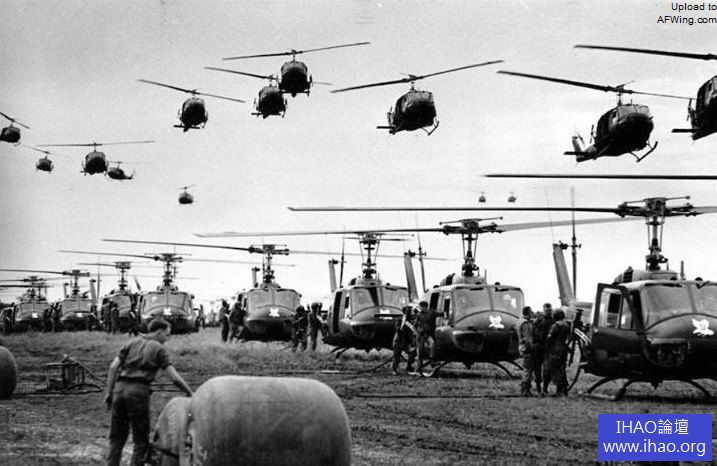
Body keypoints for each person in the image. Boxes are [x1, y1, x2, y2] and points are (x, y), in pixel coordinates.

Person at [104, 319, 193, 466]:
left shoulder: (130, 343)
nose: (168, 338)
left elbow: (113, 368)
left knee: (116, 439)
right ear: (159, 332)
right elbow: (174, 378)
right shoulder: (159, 349)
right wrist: (190, 392)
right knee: (140, 442)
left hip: (119, 390)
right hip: (138, 393)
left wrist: (109, 393)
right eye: (167, 335)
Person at [543, 309, 572, 396]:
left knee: (552, 369)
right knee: (561, 370)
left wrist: (546, 346)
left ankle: (558, 391)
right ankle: (562, 390)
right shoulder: (566, 325)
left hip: (555, 350)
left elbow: (550, 337)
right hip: (562, 350)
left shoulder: (556, 325)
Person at [532, 303, 553, 396]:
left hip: (548, 348)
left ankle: (545, 389)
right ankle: (538, 389)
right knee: (537, 369)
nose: (548, 312)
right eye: (546, 310)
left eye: (549, 310)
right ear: (544, 310)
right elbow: (533, 330)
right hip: (539, 348)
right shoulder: (539, 320)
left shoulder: (553, 320)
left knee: (547, 370)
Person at [516, 306, 536, 397]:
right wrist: (532, 348)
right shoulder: (526, 324)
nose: (532, 313)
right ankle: (525, 389)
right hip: (527, 349)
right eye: (531, 312)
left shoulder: (520, 321)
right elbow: (528, 338)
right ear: (528, 313)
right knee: (528, 369)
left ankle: (524, 389)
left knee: (526, 368)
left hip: (522, 347)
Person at [414, 300, 440, 369]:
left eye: (420, 307)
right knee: (420, 350)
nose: (419, 308)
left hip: (428, 334)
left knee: (433, 344)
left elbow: (441, 314)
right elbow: (415, 325)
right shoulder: (419, 314)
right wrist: (416, 331)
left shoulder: (432, 312)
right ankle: (419, 366)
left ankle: (432, 360)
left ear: (424, 307)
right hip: (421, 335)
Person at [392, 305, 417, 374]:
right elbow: (397, 328)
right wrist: (401, 329)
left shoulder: (411, 320)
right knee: (397, 356)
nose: (411, 312)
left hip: (407, 341)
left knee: (412, 352)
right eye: (410, 311)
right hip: (399, 341)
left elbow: (414, 329)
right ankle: (394, 369)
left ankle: (409, 367)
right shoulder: (401, 319)